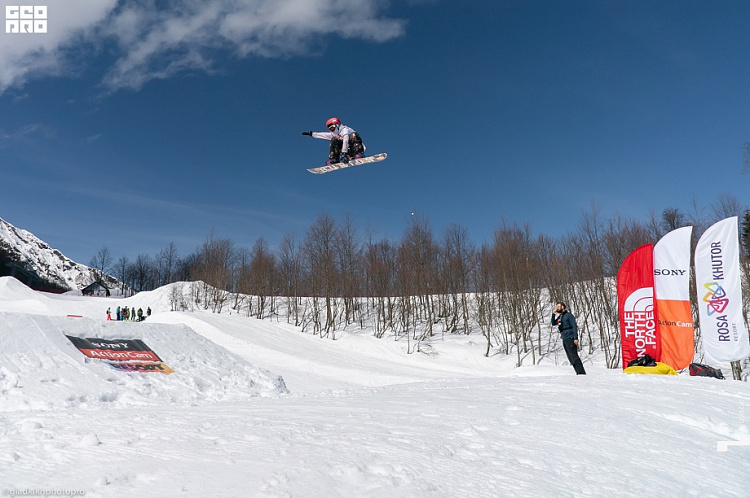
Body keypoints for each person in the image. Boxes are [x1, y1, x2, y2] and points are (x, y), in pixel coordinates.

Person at [302, 117, 366, 165]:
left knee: (353, 135)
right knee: (334, 139)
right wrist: (312, 134)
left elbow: (346, 140)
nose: (332, 130)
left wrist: (344, 153)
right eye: (330, 129)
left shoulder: (345, 130)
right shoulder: (334, 134)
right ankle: (334, 159)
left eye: (332, 128)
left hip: (354, 149)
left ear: (337, 125)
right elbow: (324, 135)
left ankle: (358, 154)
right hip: (346, 154)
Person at [551, 302, 586, 375]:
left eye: (558, 306)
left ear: (563, 307)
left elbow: (574, 326)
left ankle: (581, 373)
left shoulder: (569, 315)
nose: (557, 308)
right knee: (570, 357)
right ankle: (578, 372)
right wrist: (553, 315)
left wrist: (575, 338)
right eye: (556, 306)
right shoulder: (561, 316)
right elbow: (553, 323)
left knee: (574, 355)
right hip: (564, 338)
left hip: (570, 337)